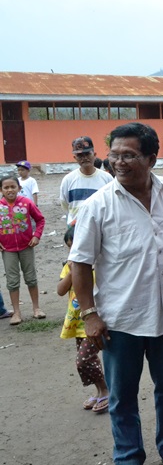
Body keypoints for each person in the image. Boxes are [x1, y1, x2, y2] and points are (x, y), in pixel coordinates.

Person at [70, 122, 163, 465]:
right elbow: (80, 263)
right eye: (114, 155)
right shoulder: (98, 205)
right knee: (122, 397)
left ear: (151, 158)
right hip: (119, 322)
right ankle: (128, 457)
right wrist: (89, 315)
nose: (118, 162)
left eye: (129, 155)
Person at [57, 223, 110, 414]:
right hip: (77, 323)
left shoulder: (98, 264)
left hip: (95, 320)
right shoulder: (69, 267)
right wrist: (72, 271)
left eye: (75, 245)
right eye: (69, 247)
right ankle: (99, 390)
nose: (73, 250)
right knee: (90, 360)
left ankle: (106, 389)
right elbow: (60, 290)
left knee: (83, 360)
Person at [0, 174, 46, 325]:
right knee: (12, 281)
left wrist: (37, 236)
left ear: (19, 188)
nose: (10, 190)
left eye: (13, 187)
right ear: (1, 190)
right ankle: (16, 313)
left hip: (27, 246)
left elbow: (40, 219)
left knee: (31, 277)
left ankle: (36, 308)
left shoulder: (27, 203)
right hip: (8, 250)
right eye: (6, 187)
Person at [60, 136, 114, 225]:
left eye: (87, 154)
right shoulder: (68, 180)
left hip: (101, 227)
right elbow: (65, 205)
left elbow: (111, 204)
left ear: (95, 154)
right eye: (80, 155)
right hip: (76, 228)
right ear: (75, 158)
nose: (84, 158)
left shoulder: (107, 178)